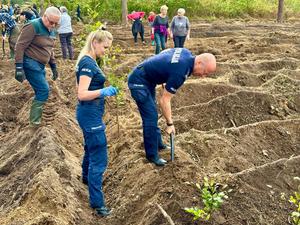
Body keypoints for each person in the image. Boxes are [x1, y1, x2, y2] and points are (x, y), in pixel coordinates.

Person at [127, 48, 216, 166]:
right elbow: (164, 100)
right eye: (204, 72)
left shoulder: (186, 53)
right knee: (150, 118)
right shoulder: (180, 72)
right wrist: (170, 124)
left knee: (152, 114)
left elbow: (165, 52)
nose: (203, 76)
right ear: (199, 63)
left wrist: (164, 74)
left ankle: (158, 144)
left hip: (147, 79)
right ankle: (152, 155)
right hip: (139, 81)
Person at [75, 30, 118, 216]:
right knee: (99, 157)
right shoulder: (86, 63)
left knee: (90, 149)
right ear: (95, 43)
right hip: (89, 114)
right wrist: (103, 91)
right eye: (105, 47)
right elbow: (81, 93)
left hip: (91, 113)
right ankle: (98, 204)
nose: (106, 51)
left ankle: (85, 179)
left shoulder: (90, 61)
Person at [14, 6, 61, 126]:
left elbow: (49, 49)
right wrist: (19, 67)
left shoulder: (52, 29)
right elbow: (20, 46)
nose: (53, 25)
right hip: (30, 62)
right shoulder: (33, 26)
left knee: (40, 90)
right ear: (44, 16)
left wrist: (54, 65)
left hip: (40, 65)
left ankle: (35, 119)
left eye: (56, 23)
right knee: (43, 90)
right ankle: (34, 124)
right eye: (51, 22)